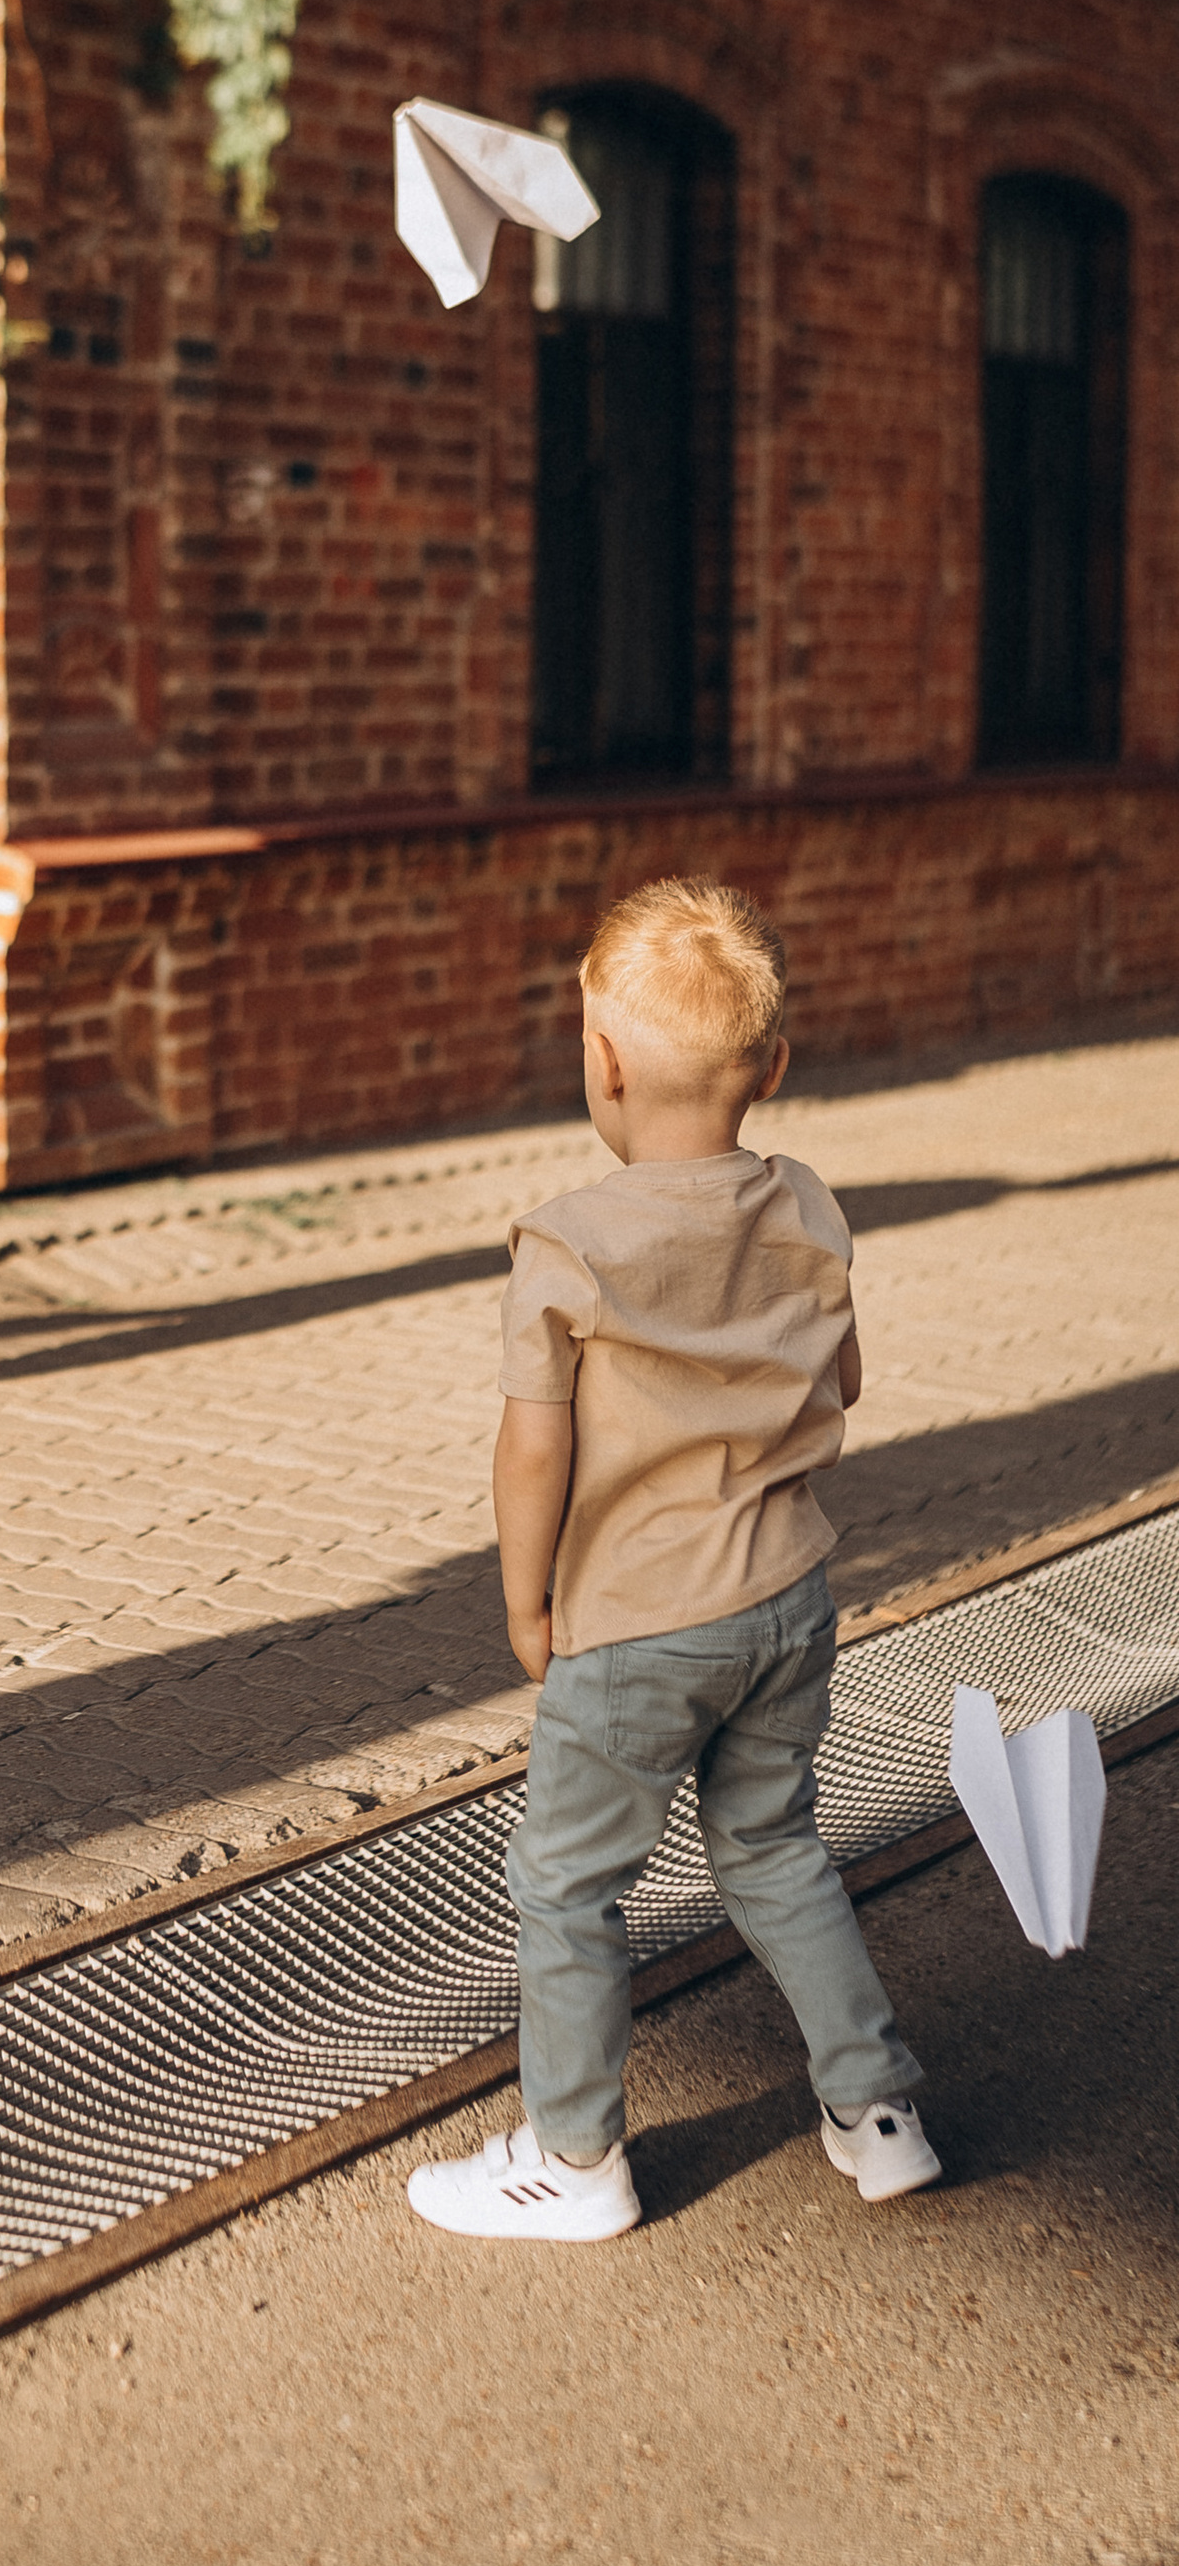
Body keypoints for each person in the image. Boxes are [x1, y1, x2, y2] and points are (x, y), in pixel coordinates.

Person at [408, 875, 938, 2245]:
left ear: (600, 1063)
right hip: (787, 1605)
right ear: (773, 1065)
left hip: (634, 1632)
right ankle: (877, 2113)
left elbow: (532, 1455)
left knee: (571, 1887)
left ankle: (576, 2161)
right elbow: (850, 1379)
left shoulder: (567, 1243)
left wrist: (528, 1598)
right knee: (772, 1848)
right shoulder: (810, 1207)